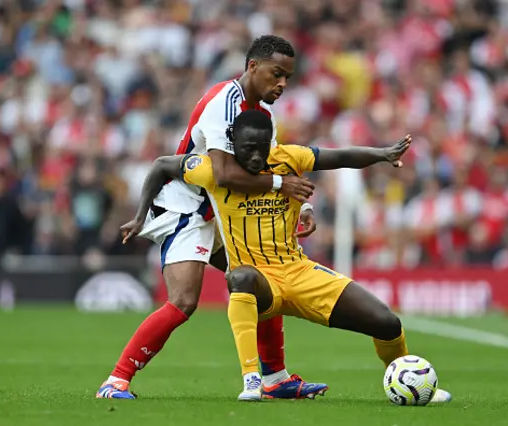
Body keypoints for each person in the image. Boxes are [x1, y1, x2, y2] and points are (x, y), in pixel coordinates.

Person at [140, 109, 452, 402]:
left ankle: (407, 379)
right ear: (232, 143)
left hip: (299, 272)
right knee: (240, 276)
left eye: (261, 148)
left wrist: (381, 154)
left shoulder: (289, 159)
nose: (254, 155)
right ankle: (253, 379)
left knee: (386, 322)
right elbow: (162, 166)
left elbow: (339, 156)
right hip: (262, 282)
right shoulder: (213, 170)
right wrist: (141, 216)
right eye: (247, 147)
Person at [97, 35, 328, 400]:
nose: (282, 83)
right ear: (253, 67)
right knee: (185, 300)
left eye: (287, 77)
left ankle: (275, 379)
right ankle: (115, 382)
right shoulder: (224, 103)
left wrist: (305, 205)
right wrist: (141, 215)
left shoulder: (262, 115)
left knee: (262, 278)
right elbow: (222, 174)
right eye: (276, 74)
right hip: (188, 207)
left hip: (223, 211)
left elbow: (274, 165)